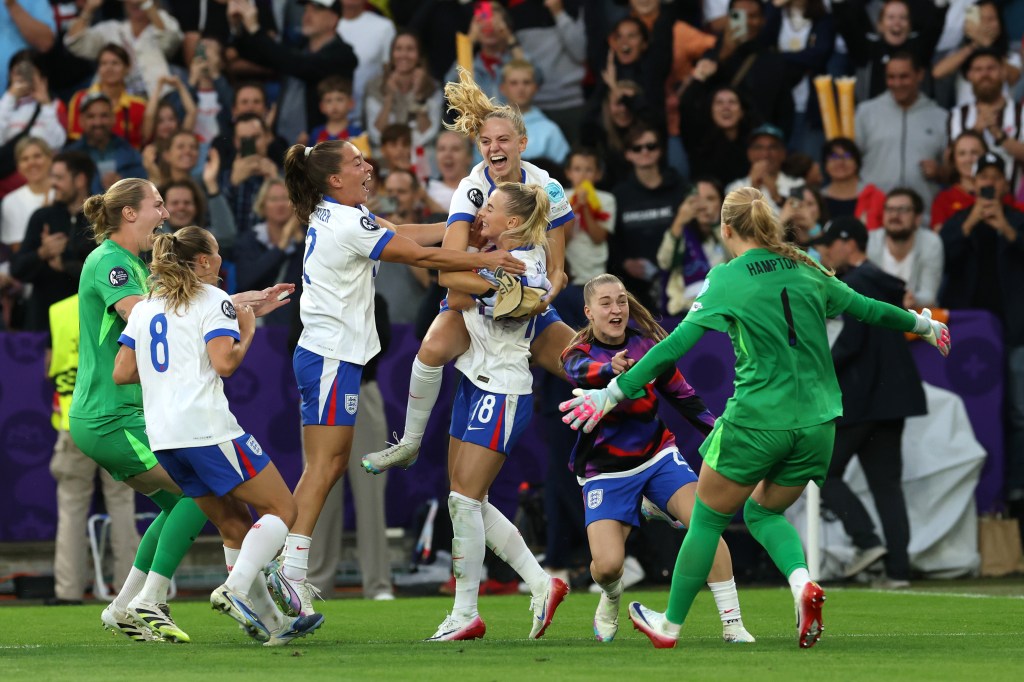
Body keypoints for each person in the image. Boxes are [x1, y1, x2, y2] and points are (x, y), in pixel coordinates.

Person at [560, 186, 950, 649]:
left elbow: (671, 347)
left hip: (757, 421)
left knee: (706, 520)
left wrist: (611, 394)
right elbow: (867, 309)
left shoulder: (727, 278)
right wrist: (923, 325)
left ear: (726, 229)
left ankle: (670, 625)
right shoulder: (806, 266)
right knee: (764, 510)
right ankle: (802, 583)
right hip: (819, 424)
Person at [264, 138, 527, 618]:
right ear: (334, 180)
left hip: (332, 358)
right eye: (356, 162)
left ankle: (288, 573)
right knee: (322, 467)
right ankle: (288, 573)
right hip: (329, 358)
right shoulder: (345, 220)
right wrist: (483, 258)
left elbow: (404, 232)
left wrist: (459, 226)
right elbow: (420, 257)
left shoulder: (340, 214)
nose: (368, 167)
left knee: (329, 465)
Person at [71, 178, 292, 643]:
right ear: (129, 213)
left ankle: (124, 607)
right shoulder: (111, 262)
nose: (165, 214)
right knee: (202, 493)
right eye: (156, 205)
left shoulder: (129, 262)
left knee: (184, 505)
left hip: (128, 412)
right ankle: (150, 600)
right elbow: (153, 317)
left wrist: (229, 307)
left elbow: (164, 319)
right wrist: (229, 309)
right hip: (113, 415)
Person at [359, 67, 575, 475]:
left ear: (522, 144)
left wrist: (540, 296)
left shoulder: (546, 185)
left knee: (585, 368)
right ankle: (409, 443)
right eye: (485, 141)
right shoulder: (472, 189)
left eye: (503, 140)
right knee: (431, 348)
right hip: (479, 297)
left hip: (528, 306)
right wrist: (495, 286)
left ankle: (640, 460)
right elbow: (450, 274)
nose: (493, 148)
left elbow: (559, 268)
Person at [113, 226, 322, 645]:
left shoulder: (146, 308)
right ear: (205, 262)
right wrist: (246, 330)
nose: (221, 259)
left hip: (164, 437)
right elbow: (224, 363)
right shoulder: (214, 300)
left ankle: (276, 627)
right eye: (217, 252)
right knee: (283, 510)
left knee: (233, 525)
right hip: (207, 429)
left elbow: (123, 372)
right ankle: (235, 588)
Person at [561, 273, 754, 644]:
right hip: (604, 471)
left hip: (656, 456)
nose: (616, 309)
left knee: (705, 523)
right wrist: (609, 370)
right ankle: (611, 595)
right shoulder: (577, 354)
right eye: (606, 303)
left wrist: (718, 435)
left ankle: (733, 624)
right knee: (608, 566)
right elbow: (578, 373)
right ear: (589, 312)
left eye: (621, 300)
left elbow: (684, 396)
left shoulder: (649, 345)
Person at [427, 182, 568, 642]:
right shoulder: (494, 255)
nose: (479, 213)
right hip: (473, 380)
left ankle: (466, 611)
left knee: (464, 500)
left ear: (512, 223)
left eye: (488, 207)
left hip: (503, 388)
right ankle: (543, 583)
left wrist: (459, 255)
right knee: (466, 501)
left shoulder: (526, 267)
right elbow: (454, 279)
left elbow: (452, 285)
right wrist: (472, 256)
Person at [811, 216, 926, 588]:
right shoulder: (882, 282)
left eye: (829, 244)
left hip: (862, 400)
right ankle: (897, 571)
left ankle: (867, 541)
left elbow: (852, 343)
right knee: (886, 486)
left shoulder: (857, 284)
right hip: (893, 400)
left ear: (848, 243)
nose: (826, 252)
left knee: (823, 471)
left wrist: (815, 367)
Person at [940, 149, 1024, 518]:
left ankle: (1016, 488)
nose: (989, 185)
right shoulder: (958, 222)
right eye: (982, 179)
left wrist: (1005, 228)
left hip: (1016, 332)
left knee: (1018, 413)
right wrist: (972, 223)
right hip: (968, 338)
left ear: (1005, 184)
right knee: (971, 410)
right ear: (973, 184)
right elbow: (947, 258)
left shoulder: (1019, 220)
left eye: (996, 179)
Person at [47, 293, 138, 606]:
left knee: (71, 508)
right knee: (122, 504)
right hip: (117, 417)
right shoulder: (127, 302)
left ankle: (68, 591)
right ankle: (131, 591)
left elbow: (50, 364)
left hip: (73, 421)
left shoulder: (58, 311)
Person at [227, 0, 357, 146]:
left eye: (316, 10)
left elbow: (300, 65)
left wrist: (255, 29)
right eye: (306, 10)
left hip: (320, 143)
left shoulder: (342, 55)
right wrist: (238, 27)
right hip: (282, 140)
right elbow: (260, 55)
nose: (307, 15)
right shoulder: (298, 47)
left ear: (334, 19)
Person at [854, 52, 948, 225]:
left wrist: (939, 172)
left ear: (919, 75)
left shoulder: (940, 117)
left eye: (904, 77)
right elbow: (850, 164)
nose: (897, 84)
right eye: (891, 77)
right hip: (874, 217)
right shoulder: (865, 113)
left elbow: (952, 172)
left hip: (922, 218)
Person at [10, 150, 94, 332]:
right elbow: (16, 269)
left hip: (85, 324)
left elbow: (104, 275)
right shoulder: (42, 217)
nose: (53, 184)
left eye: (59, 178)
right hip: (42, 322)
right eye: (52, 177)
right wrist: (42, 253)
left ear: (80, 180)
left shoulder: (101, 220)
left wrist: (65, 265)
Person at [64, 0, 183, 98]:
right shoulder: (112, 29)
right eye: (131, 2)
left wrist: (147, 5)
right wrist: (89, 9)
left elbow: (170, 39)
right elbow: (75, 42)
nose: (135, 3)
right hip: (112, 103)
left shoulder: (162, 25)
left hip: (154, 100)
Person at [656, 178, 727, 315]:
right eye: (696, 200)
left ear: (722, 203)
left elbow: (737, 257)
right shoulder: (680, 233)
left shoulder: (730, 233)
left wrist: (717, 226)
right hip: (685, 313)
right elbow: (664, 262)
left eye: (710, 199)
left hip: (723, 311)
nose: (702, 206)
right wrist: (679, 221)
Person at [867, 188, 944, 308]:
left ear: (918, 218)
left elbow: (929, 295)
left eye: (903, 210)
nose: (894, 215)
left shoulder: (931, 243)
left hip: (915, 318)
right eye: (889, 209)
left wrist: (913, 299)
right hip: (875, 314)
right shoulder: (871, 241)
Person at [67, 44, 149, 150]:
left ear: (127, 68)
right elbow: (75, 140)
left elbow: (141, 144)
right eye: (103, 64)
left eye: (115, 63)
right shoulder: (80, 98)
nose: (109, 68)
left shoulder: (139, 106)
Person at [65, 92, 148, 194]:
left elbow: (144, 187)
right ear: (81, 121)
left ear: (113, 118)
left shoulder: (130, 152)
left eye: (104, 116)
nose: (98, 122)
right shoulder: (69, 157)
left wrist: (124, 184)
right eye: (91, 116)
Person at [499, 59, 570, 166]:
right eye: (514, 83)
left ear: (535, 88)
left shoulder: (550, 130)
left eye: (526, 82)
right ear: (503, 88)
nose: (521, 88)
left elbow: (563, 171)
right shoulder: (489, 127)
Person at [820, 137, 887, 230]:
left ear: (857, 163)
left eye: (847, 156)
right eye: (833, 157)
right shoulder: (817, 199)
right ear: (825, 165)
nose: (840, 162)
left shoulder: (875, 196)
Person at [931, 130, 987, 230]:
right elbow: (938, 240)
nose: (969, 159)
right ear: (954, 160)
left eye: (974, 153)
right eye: (962, 154)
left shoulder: (999, 193)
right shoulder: (944, 199)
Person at [307, 76, 372, 158]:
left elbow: (365, 162)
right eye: (329, 101)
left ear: (351, 103)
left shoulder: (357, 133)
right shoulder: (316, 134)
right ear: (322, 106)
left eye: (340, 99)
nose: (334, 106)